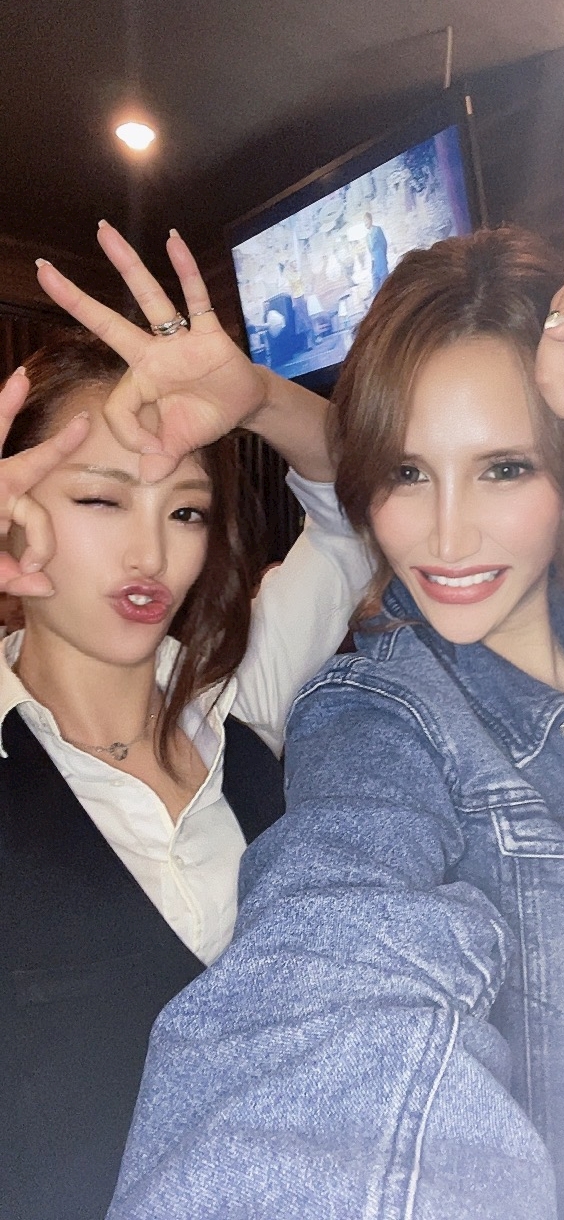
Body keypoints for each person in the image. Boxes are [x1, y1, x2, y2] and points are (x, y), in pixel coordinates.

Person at [103, 202, 564, 1220]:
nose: (445, 536)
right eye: (405, 473)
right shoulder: (376, 718)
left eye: (504, 468)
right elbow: (332, 965)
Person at [0, 221, 374, 1220]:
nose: (150, 554)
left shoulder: (239, 693)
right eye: (100, 498)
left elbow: (361, 503)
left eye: (186, 510)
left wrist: (260, 396)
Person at [365, 210, 389, 293]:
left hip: (381, 259)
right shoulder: (367, 236)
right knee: (375, 284)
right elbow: (370, 250)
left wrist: (383, 257)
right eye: (364, 221)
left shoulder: (377, 230)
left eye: (366, 220)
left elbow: (384, 243)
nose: (365, 223)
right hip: (374, 262)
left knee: (385, 283)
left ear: (370, 220)